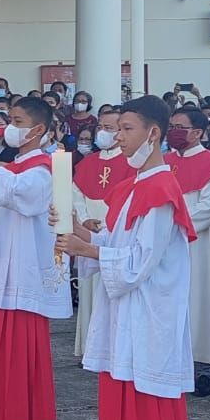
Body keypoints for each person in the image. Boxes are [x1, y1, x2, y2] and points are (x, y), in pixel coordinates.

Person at [61, 95, 194, 420]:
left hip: (150, 309)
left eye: (127, 129)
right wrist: (82, 234)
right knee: (119, 395)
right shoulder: (131, 187)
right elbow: (119, 245)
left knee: (147, 401)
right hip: (126, 311)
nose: (117, 137)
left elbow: (140, 262)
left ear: (153, 134)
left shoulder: (160, 189)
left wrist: (88, 252)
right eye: (116, 128)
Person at [0, 95, 70, 420]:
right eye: (8, 119)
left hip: (26, 277)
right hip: (2, 271)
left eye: (16, 119)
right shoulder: (14, 167)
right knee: (2, 357)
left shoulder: (43, 169)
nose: (8, 125)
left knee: (24, 359)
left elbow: (24, 198)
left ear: (37, 129)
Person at [166, 106, 210, 393]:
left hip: (197, 244)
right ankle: (174, 362)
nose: (174, 132)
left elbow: (209, 208)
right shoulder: (164, 162)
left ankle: (205, 369)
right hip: (166, 244)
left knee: (201, 301)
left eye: (181, 127)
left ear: (199, 132)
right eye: (172, 126)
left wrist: (173, 222)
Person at [70, 105, 135, 356]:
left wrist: (106, 226)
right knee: (89, 293)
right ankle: (90, 347)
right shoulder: (88, 163)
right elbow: (76, 195)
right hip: (88, 232)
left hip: (113, 233)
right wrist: (85, 220)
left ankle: (110, 349)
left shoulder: (131, 163)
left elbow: (129, 199)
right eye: (100, 127)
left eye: (109, 128)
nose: (103, 133)